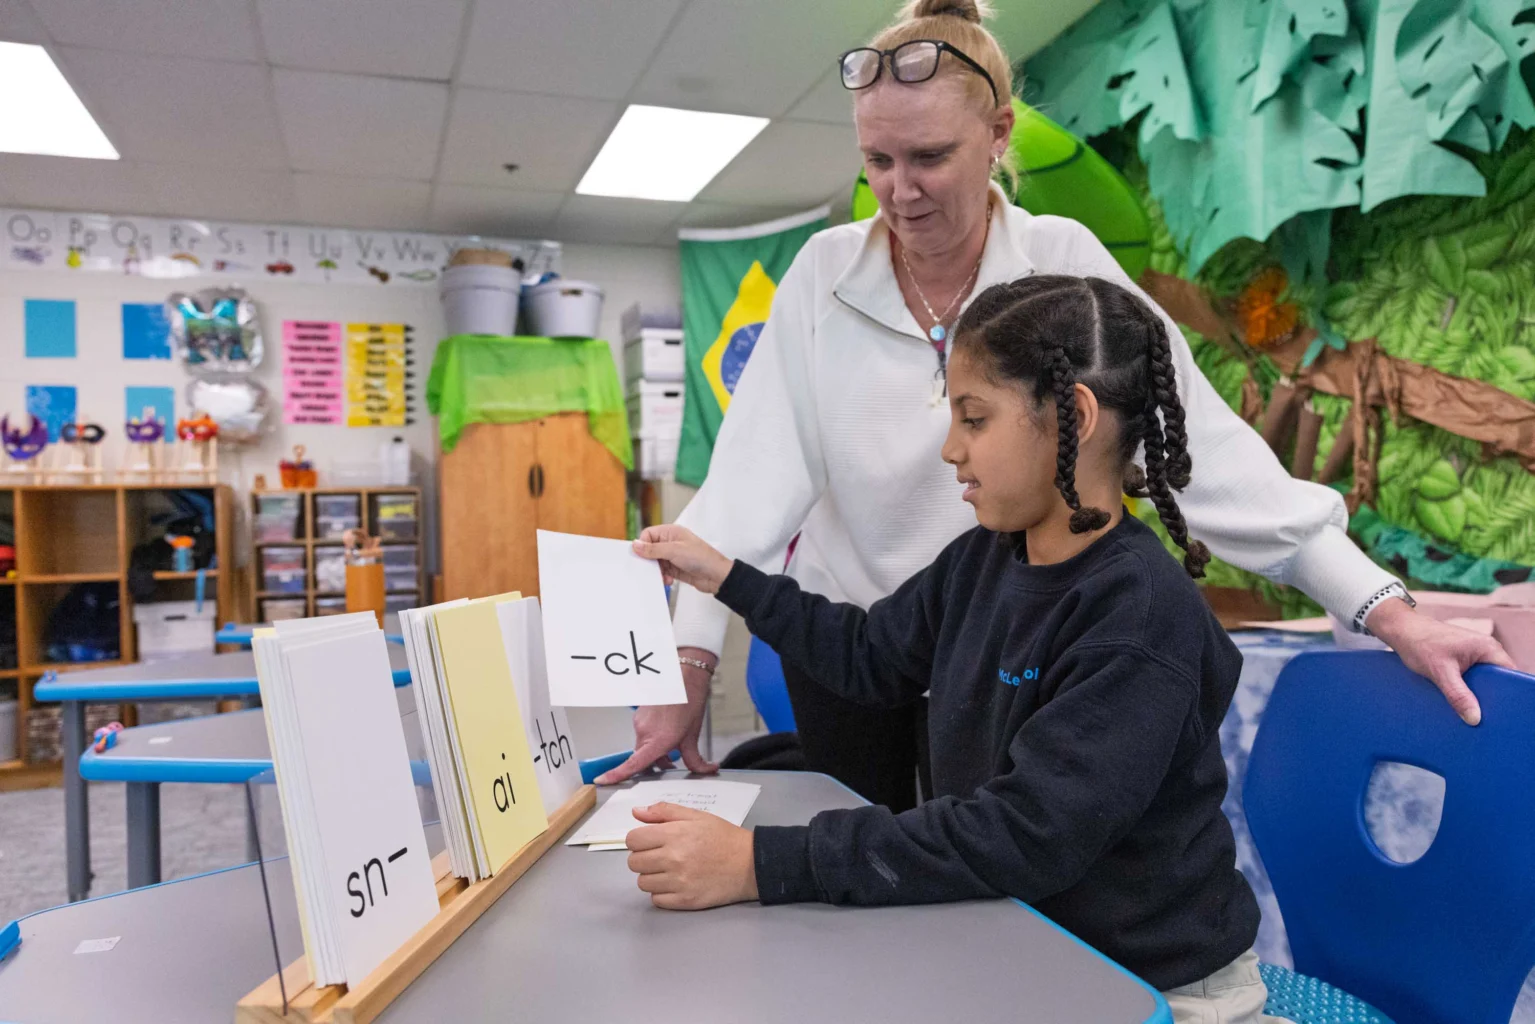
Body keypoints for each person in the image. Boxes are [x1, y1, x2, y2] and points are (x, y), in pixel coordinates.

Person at [597, 0, 1514, 802]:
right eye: (876, 159)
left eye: (928, 157)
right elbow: (746, 487)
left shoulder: (1060, 263)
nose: (898, 191)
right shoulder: (823, 275)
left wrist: (1387, 609)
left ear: (998, 135)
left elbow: (1199, 442)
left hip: (1009, 640)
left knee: (995, 891)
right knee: (861, 883)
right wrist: (687, 659)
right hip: (857, 645)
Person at [625, 275, 1286, 1022]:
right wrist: (728, 579)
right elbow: (868, 656)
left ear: (1071, 416)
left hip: (1148, 987)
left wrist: (759, 863)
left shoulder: (1137, 614)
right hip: (1019, 940)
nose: (949, 449)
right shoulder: (983, 559)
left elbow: (1027, 832)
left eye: (973, 419)